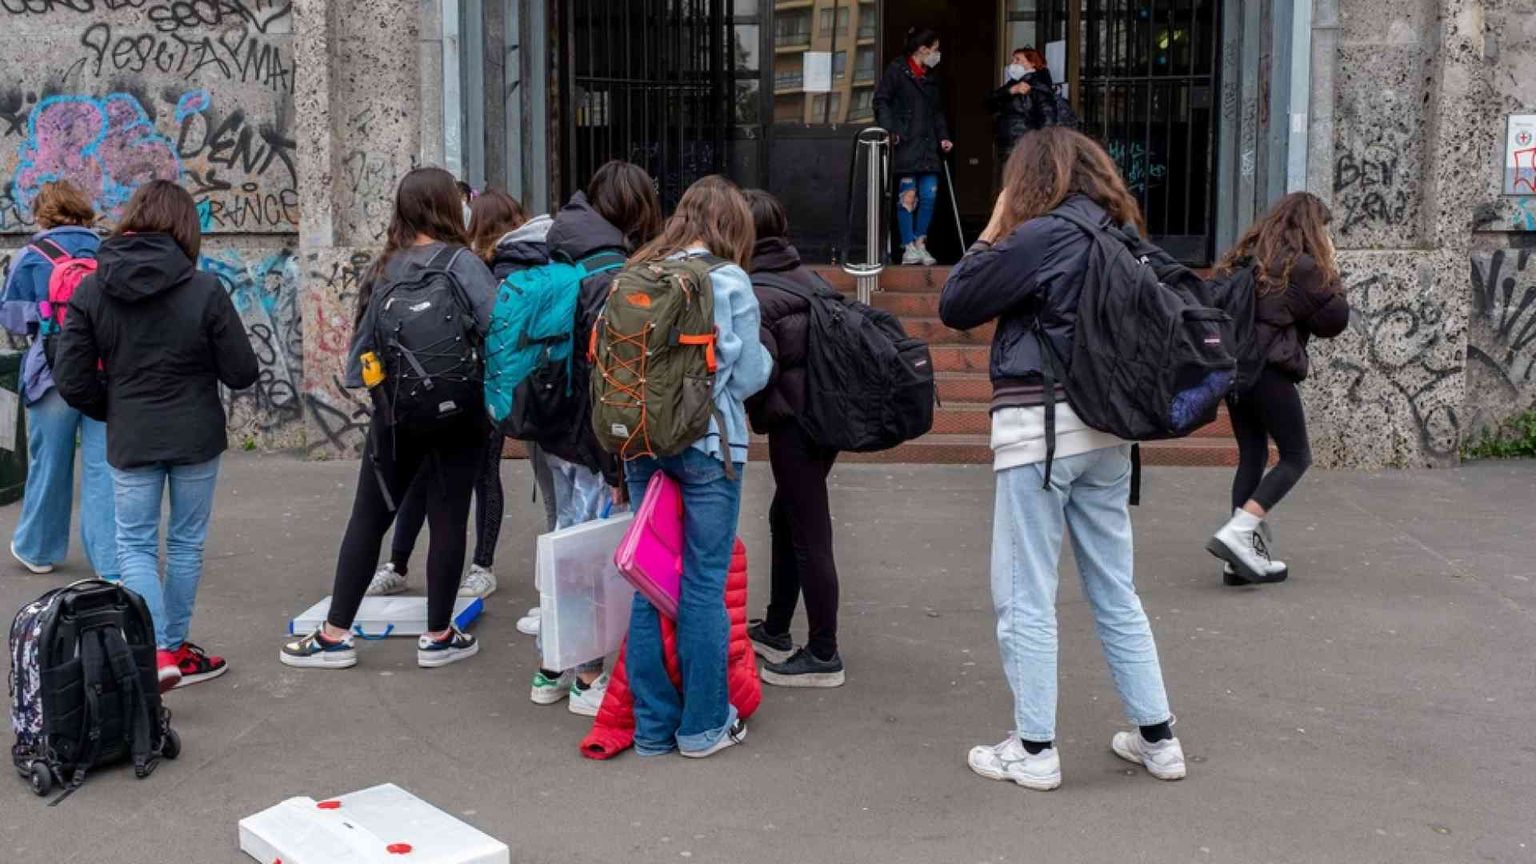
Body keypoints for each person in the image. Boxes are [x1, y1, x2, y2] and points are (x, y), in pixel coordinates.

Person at [939, 128, 1185, 791]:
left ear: (1030, 181)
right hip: (1110, 432)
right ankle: (1159, 740)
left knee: (1025, 592)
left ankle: (1035, 749)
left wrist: (994, 225)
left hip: (1040, 432)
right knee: (1115, 589)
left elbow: (956, 301)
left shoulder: (1042, 236)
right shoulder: (1119, 238)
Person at [281, 167, 498, 672]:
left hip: (396, 418)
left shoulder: (384, 268)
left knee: (369, 518)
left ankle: (334, 634)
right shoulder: (465, 264)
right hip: (461, 415)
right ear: (450, 208)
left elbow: (359, 357)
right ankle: (439, 637)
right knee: (448, 520)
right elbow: (498, 328)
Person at [54, 180, 259, 692]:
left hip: (132, 436)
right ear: (186, 227)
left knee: (135, 547)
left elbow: (72, 378)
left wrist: (115, 406)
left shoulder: (92, 289)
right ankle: (172, 648)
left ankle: (156, 654)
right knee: (185, 544)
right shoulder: (204, 288)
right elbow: (242, 371)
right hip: (196, 435)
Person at [620, 175, 771, 757]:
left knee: (647, 581)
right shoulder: (728, 279)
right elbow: (749, 375)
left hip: (642, 442)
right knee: (703, 585)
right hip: (709, 446)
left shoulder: (639, 270)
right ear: (732, 225)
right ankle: (704, 726)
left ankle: (652, 727)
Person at [526, 159, 664, 715]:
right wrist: (615, 466)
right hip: (588, 435)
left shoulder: (557, 244)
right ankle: (586, 677)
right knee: (587, 556)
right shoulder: (609, 271)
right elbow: (609, 376)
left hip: (548, 426)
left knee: (564, 542)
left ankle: (549, 669)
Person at [366, 188, 526, 600]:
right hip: (453, 386)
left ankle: (473, 564)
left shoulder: (482, 267)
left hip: (476, 389)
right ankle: (408, 564)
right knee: (441, 478)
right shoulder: (461, 263)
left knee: (476, 478)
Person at [1207, 192, 1349, 585]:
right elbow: (1335, 320)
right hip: (1269, 372)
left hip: (1236, 371)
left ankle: (1239, 560)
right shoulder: (1300, 268)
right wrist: (1331, 271)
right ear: (1311, 228)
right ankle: (1239, 532)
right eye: (1324, 229)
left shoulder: (1246, 260)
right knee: (1296, 456)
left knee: (1252, 455)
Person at [739, 189, 845, 688]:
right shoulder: (808, 277)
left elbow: (757, 372)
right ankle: (776, 628)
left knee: (808, 532)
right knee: (785, 517)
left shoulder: (756, 293)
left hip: (794, 424)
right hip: (824, 417)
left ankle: (824, 653)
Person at [0, 181, 116, 581]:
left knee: (49, 463)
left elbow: (15, 319)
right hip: (104, 372)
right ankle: (110, 562)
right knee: (104, 468)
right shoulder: (107, 251)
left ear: (42, 214)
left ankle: (38, 549)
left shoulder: (32, 256)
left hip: (51, 372)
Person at [875, 27, 953, 266]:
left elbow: (937, 111)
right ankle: (908, 246)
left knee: (929, 196)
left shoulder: (931, 77)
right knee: (907, 196)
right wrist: (890, 130)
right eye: (935, 49)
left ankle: (921, 243)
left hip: (928, 145)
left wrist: (943, 136)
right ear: (922, 49)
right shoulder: (897, 71)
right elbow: (881, 100)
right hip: (906, 143)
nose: (937, 54)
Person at [988, 48, 1062, 164]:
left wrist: (1040, 146)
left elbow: (1048, 119)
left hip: (1025, 146)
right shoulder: (1013, 84)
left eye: (1017, 60)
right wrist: (1010, 91)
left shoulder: (1038, 86)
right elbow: (989, 103)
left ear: (1032, 63)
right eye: (1013, 60)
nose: (1013, 64)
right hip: (1009, 144)